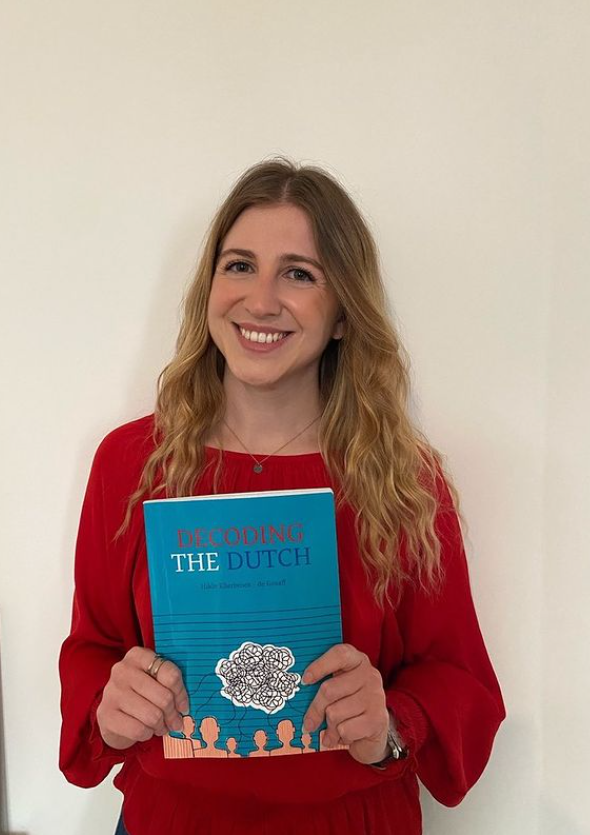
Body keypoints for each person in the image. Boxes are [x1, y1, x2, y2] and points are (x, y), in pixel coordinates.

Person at [59, 156, 506, 835]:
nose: (261, 299)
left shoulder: (403, 478)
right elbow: (92, 646)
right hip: (172, 819)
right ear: (208, 288)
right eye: (239, 265)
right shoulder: (130, 464)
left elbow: (458, 676)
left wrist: (389, 720)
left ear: (343, 316)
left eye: (298, 273)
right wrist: (109, 701)